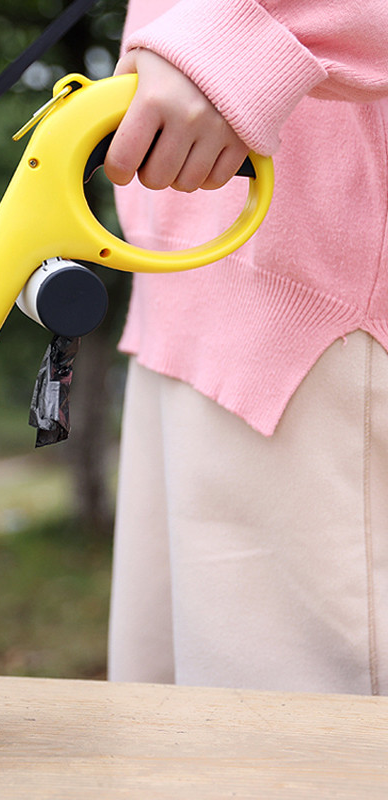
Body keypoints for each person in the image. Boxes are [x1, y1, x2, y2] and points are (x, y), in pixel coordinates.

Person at [103, 0, 388, 694]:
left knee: (298, 741)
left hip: (324, 309)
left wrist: (248, 34)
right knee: (170, 727)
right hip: (182, 285)